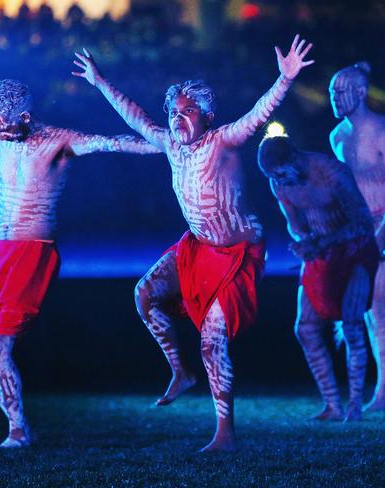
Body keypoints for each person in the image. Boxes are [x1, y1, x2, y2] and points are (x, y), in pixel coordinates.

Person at [72, 35, 313, 451]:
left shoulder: (222, 139)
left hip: (238, 253)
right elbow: (136, 118)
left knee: (212, 340)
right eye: (173, 112)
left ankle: (225, 432)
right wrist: (99, 81)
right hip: (198, 247)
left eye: (186, 111)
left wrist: (285, 79)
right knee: (144, 294)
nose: (176, 119)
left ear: (207, 115)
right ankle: (180, 372)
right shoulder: (170, 144)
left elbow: (257, 117)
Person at [0, 79, 159, 448]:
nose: (0, 134)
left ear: (24, 115)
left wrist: (168, 145)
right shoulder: (0, 138)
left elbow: (112, 142)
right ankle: (18, 423)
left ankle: (17, 432)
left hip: (32, 250)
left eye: (5, 125)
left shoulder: (59, 141)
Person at [258, 136, 378, 421]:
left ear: (296, 159)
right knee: (306, 328)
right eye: (274, 177)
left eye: (283, 173)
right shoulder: (279, 183)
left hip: (355, 250)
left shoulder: (331, 172)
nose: (281, 180)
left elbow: (362, 222)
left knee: (351, 326)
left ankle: (354, 407)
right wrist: (303, 241)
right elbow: (294, 225)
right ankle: (332, 404)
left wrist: (327, 242)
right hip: (321, 254)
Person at [329, 62, 385, 411]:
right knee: (367, 311)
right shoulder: (337, 136)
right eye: (331, 91)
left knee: (379, 306)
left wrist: (383, 234)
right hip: (361, 230)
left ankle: (384, 391)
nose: (333, 97)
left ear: (360, 92)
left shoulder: (383, 131)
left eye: (340, 91)